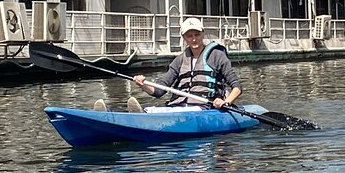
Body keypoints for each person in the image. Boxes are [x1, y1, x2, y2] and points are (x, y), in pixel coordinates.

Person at [93, 17, 242, 113]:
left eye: (197, 35)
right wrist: (143, 84)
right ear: (184, 38)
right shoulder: (179, 60)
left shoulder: (217, 56)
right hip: (177, 106)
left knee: (158, 112)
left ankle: (142, 118)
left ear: (203, 34)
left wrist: (225, 102)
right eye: (189, 36)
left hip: (203, 108)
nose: (194, 39)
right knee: (152, 110)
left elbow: (237, 87)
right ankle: (111, 115)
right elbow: (159, 91)